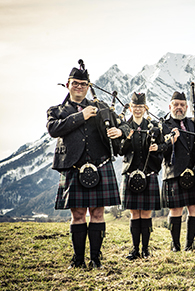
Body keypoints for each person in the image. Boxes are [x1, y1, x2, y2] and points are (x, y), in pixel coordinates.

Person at [47, 65, 130, 269]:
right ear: (68, 85)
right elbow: (54, 129)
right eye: (75, 83)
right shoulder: (57, 111)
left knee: (98, 213)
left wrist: (120, 132)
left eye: (83, 84)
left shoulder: (100, 107)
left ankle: (95, 259)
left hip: (100, 165)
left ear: (88, 87)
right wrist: (81, 116)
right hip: (73, 168)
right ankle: (78, 260)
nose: (79, 87)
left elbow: (125, 124)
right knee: (77, 215)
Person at [160, 91, 195, 252]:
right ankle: (175, 245)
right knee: (175, 210)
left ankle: (189, 245)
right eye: (176, 105)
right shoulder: (164, 125)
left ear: (186, 107)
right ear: (170, 106)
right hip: (174, 172)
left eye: (182, 105)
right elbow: (159, 149)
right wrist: (171, 140)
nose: (179, 108)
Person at [119, 92, 163, 260]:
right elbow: (120, 150)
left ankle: (145, 250)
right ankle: (135, 249)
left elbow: (161, 150)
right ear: (130, 108)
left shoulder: (153, 127)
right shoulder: (124, 126)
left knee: (145, 214)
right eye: (135, 107)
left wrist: (156, 149)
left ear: (146, 109)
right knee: (134, 214)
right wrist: (128, 138)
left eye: (141, 107)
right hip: (130, 174)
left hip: (148, 174)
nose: (137, 110)